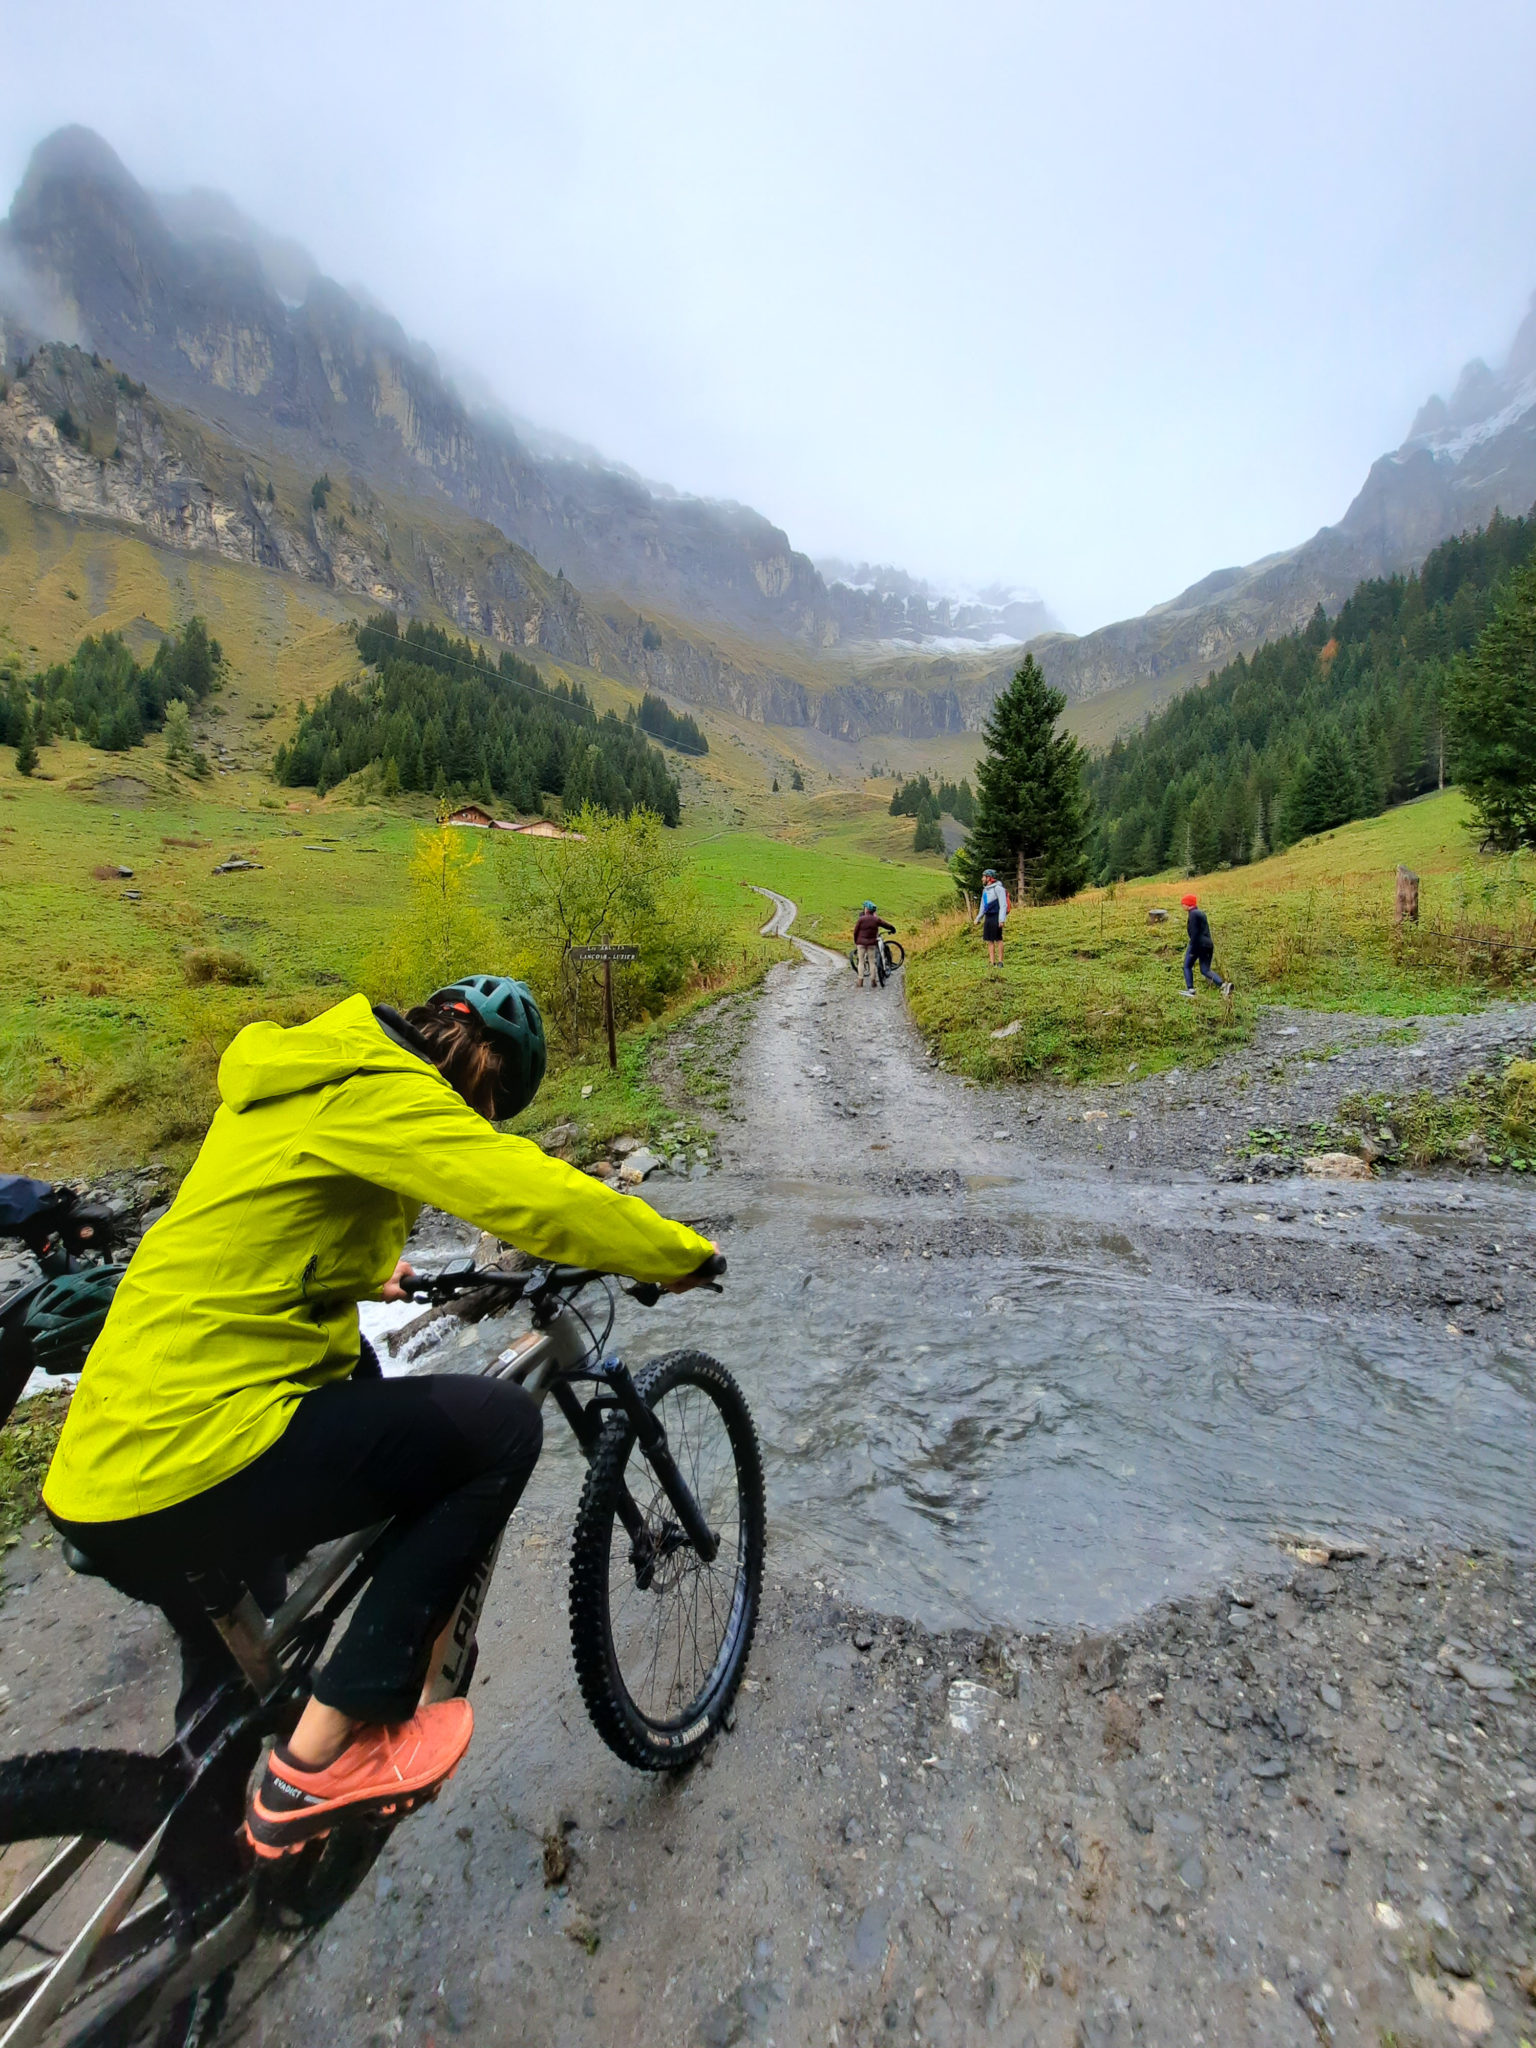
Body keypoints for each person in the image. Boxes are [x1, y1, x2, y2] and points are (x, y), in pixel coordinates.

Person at [42, 979, 716, 1856]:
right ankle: (327, 1756)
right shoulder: (393, 1090)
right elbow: (530, 1196)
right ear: (485, 1084)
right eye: (487, 1114)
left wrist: (372, 1271)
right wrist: (678, 1253)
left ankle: (204, 1887)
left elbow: (266, 1235)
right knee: (501, 1427)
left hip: (109, 1460)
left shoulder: (305, 1070)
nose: (478, 1124)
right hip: (197, 1450)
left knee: (241, 1673)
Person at [1179, 893, 1233, 997]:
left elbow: (1194, 933)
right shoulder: (1201, 913)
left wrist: (1193, 947)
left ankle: (1190, 990)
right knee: (1205, 969)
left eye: (1183, 904)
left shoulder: (1193, 914)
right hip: (1208, 944)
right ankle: (1224, 985)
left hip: (1197, 944)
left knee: (1187, 966)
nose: (1182, 906)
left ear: (1188, 904)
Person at [852, 900, 895, 988]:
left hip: (861, 943)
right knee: (872, 962)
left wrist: (856, 941)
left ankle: (860, 981)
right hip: (871, 943)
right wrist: (892, 928)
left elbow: (855, 931)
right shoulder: (876, 920)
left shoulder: (861, 919)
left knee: (861, 962)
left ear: (867, 909)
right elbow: (885, 925)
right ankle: (873, 980)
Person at [974, 868, 1009, 966]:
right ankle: (992, 961)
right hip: (988, 916)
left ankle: (1000, 961)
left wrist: (1001, 919)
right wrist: (978, 918)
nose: (982, 879)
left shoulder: (998, 888)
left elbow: (1003, 905)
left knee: (998, 938)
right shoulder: (985, 890)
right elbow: (983, 906)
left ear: (989, 878)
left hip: (996, 916)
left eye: (983, 877)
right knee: (989, 939)